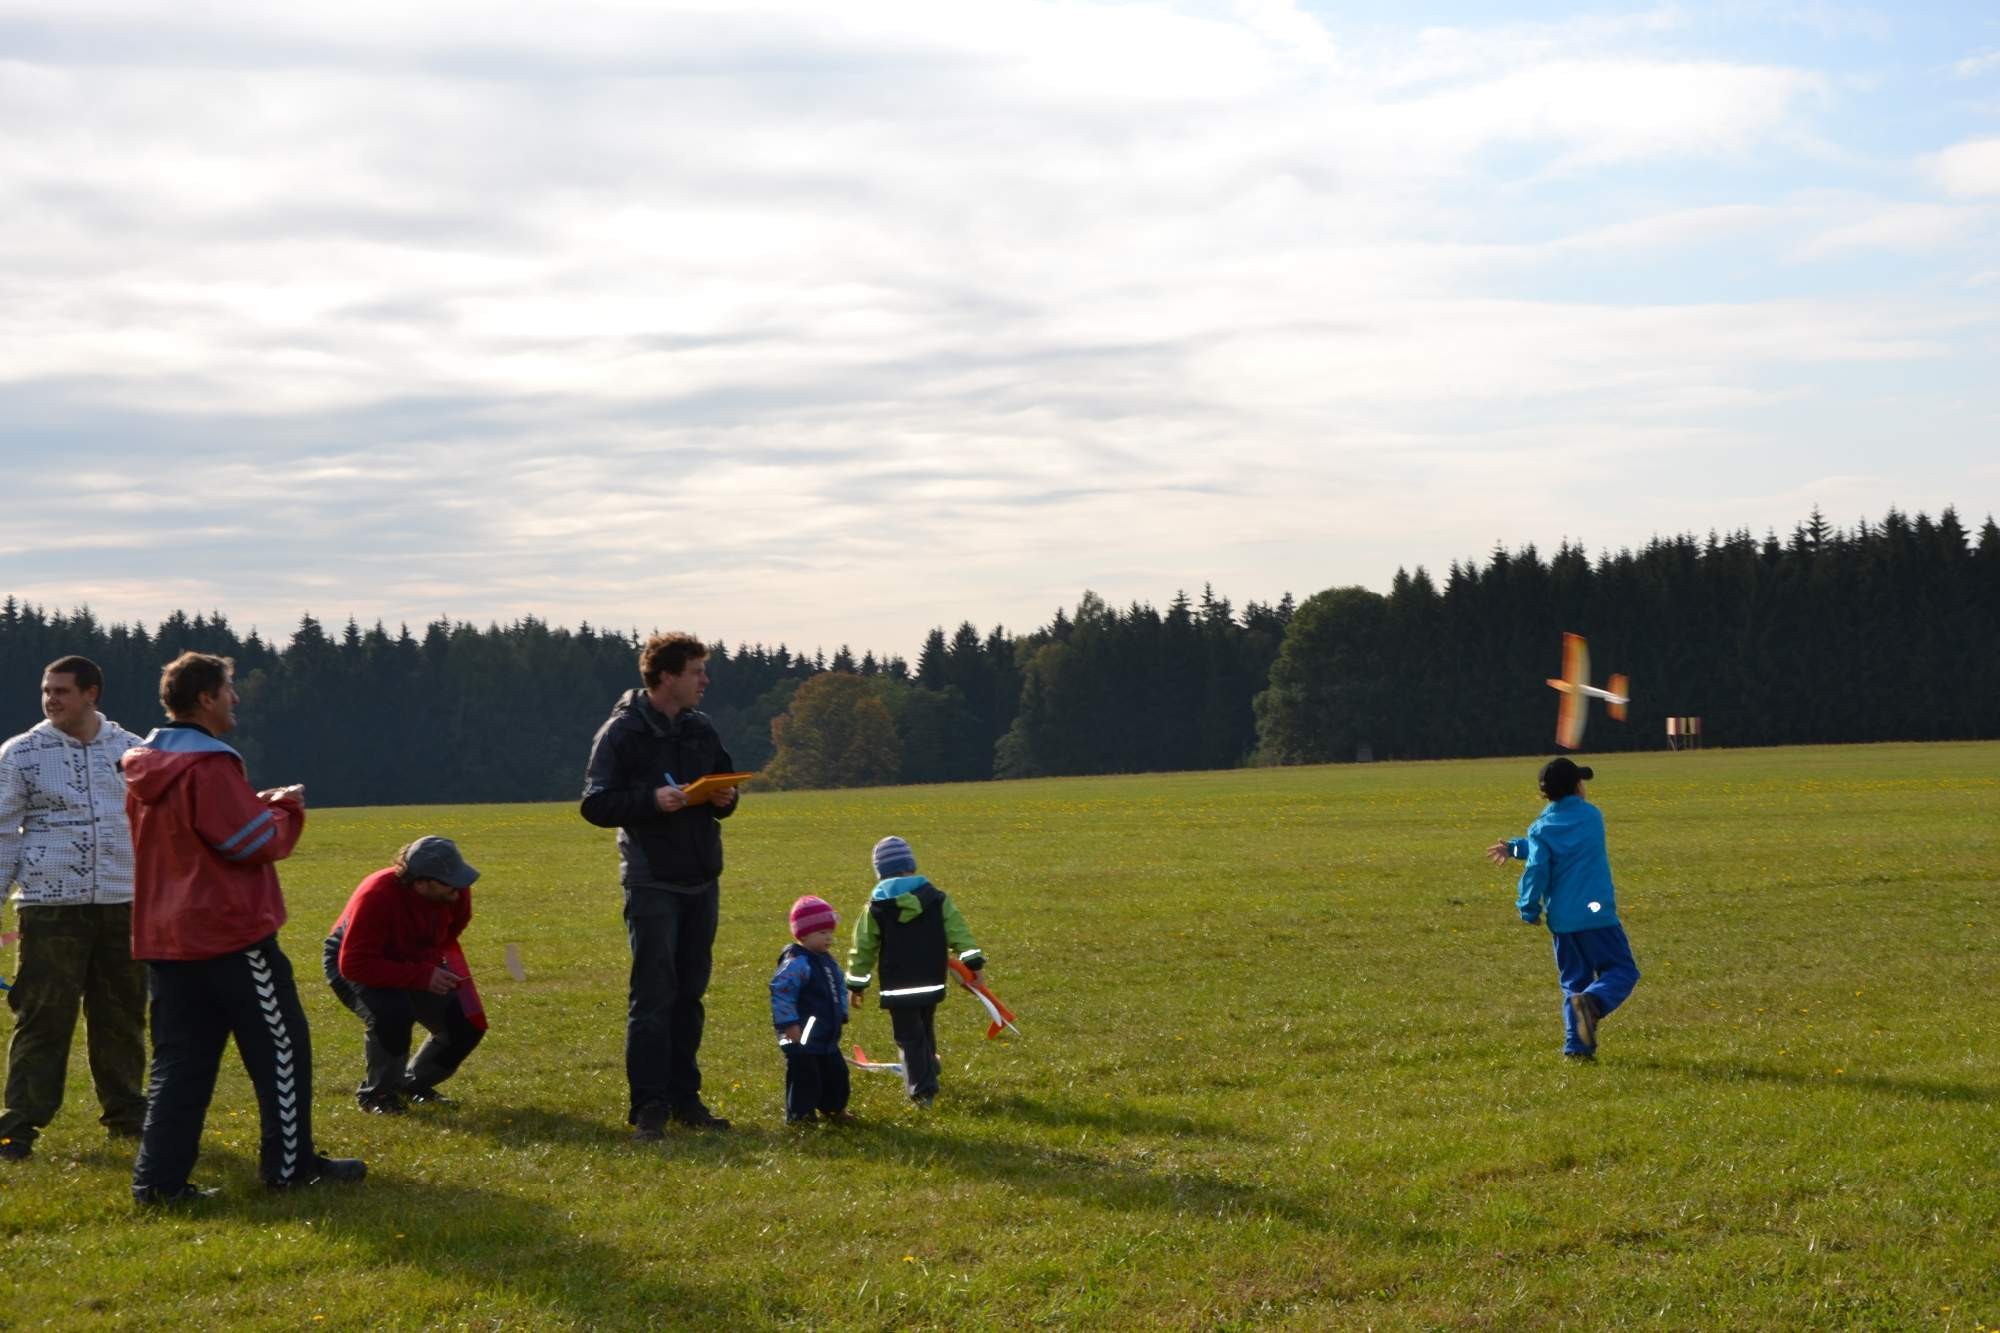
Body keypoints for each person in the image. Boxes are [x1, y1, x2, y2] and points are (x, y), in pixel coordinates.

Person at [121, 652, 364, 1203]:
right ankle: (289, 1167)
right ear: (205, 698)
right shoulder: (208, 766)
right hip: (230, 935)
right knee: (282, 1050)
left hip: (168, 939)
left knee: (180, 1062)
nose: (236, 698)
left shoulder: (147, 767)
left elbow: (194, 829)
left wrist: (252, 804)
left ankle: (157, 1183)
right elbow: (250, 842)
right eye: (229, 688)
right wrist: (285, 810)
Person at [580, 631, 741, 1139]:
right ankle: (648, 1106)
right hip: (652, 882)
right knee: (652, 999)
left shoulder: (701, 727)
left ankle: (685, 1099)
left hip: (702, 877)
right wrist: (652, 801)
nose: (705, 681)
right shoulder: (621, 732)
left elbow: (725, 783)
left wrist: (725, 798)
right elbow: (595, 803)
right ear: (667, 676)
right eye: (696, 672)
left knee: (690, 995)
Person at [0, 656, 148, 1161]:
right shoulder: (21, 754)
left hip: (124, 903)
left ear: (91, 694)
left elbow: (155, 828)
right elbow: (3, 832)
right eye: (47, 690)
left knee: (122, 1015)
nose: (50, 700)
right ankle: (18, 1129)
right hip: (49, 907)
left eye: (61, 691)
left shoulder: (132, 752)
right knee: (42, 1017)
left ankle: (128, 1118)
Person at [1485, 757, 1640, 1060]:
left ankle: (1577, 1049)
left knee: (1574, 983)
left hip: (1563, 922)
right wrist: (1520, 846)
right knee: (1622, 970)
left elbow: (1538, 865)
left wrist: (1528, 906)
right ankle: (1594, 1002)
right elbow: (1561, 843)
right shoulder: (1592, 817)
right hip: (1596, 915)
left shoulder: (1541, 829)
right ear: (1578, 787)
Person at [323, 836, 486, 1115]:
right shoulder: (377, 894)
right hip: (356, 960)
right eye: (449, 882)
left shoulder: (455, 890)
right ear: (421, 883)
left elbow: (452, 929)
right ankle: (378, 1096)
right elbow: (354, 964)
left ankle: (413, 1086)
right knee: (393, 1014)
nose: (460, 888)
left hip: (415, 959)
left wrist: (429, 965)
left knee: (465, 1024)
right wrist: (421, 976)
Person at [845, 836, 986, 1105]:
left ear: (881, 873)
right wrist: (973, 963)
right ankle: (929, 1067)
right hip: (932, 980)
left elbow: (863, 949)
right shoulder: (937, 899)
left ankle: (922, 1090)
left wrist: (856, 984)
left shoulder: (875, 908)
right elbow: (959, 932)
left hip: (898, 986)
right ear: (911, 866)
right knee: (924, 1028)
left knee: (908, 1037)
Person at [769, 895, 851, 1125]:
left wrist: (841, 1012)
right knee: (805, 1075)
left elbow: (839, 987)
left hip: (825, 1034)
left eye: (830, 932)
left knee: (836, 1073)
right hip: (800, 1035)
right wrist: (789, 1024)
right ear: (803, 934)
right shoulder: (797, 962)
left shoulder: (827, 961)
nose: (829, 938)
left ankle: (834, 1109)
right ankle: (801, 1116)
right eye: (822, 932)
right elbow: (782, 993)